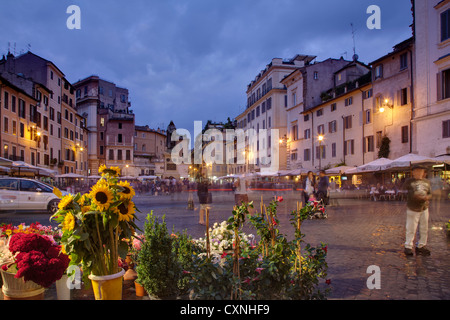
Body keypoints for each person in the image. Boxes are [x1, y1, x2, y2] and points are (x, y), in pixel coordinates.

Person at [402, 165, 432, 256]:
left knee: (424, 228)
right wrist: (412, 197)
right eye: (417, 171)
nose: (419, 173)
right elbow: (403, 192)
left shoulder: (427, 182)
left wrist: (427, 197)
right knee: (411, 228)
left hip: (424, 208)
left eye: (421, 171)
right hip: (413, 208)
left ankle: (421, 246)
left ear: (423, 173)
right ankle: (408, 246)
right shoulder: (409, 182)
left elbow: (430, 193)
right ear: (413, 172)